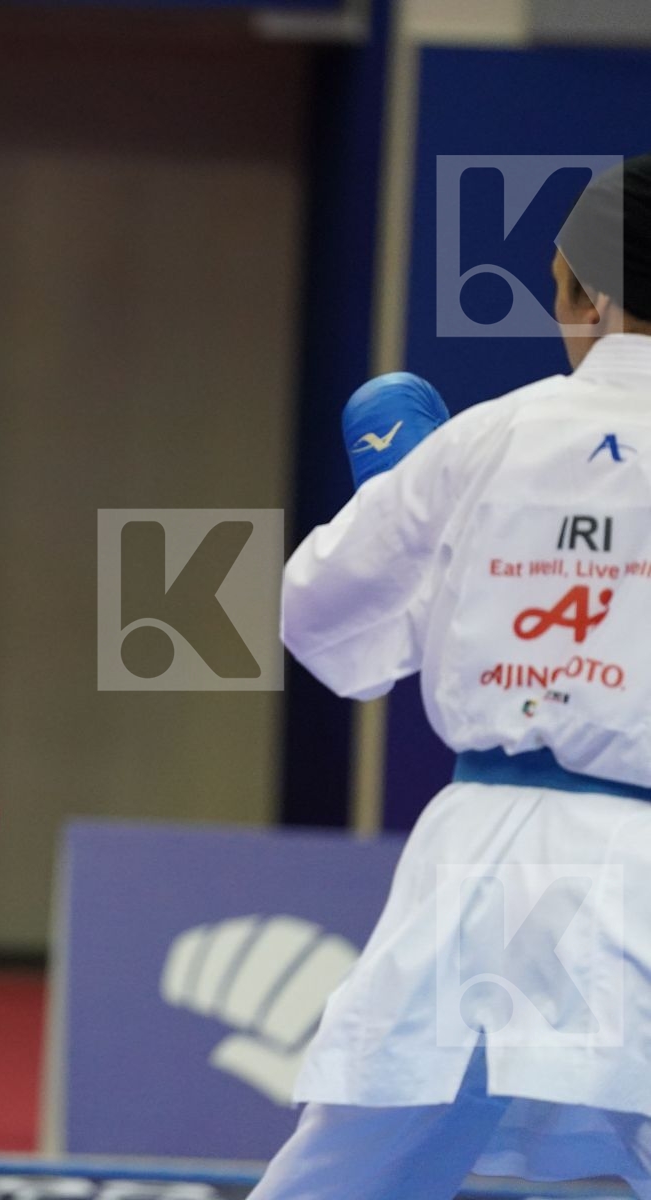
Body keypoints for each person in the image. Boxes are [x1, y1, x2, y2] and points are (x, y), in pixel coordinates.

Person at [257, 153, 651, 1198]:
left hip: (476, 868)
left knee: (345, 1175)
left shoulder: (481, 442)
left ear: (585, 292)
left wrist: (406, 515)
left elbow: (315, 613)